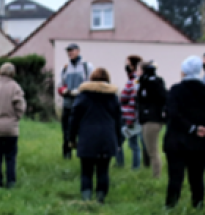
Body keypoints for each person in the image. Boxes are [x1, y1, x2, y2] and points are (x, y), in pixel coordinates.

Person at [163, 56, 205, 209]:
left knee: (175, 177)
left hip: (177, 141)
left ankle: (171, 205)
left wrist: (191, 128)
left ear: (183, 72)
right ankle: (198, 204)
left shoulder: (176, 90)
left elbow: (172, 114)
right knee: (197, 177)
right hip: (200, 142)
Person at [68, 67, 122, 203]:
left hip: (87, 138)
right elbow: (118, 121)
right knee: (103, 170)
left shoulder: (83, 96)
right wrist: (119, 141)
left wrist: (71, 138)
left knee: (86, 170)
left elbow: (74, 118)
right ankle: (100, 199)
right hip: (107, 138)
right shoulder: (113, 97)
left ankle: (86, 199)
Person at [58, 43, 94, 159]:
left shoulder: (86, 66)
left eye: (72, 51)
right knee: (66, 131)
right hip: (68, 104)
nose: (70, 53)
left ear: (78, 51)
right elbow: (60, 85)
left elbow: (90, 84)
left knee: (82, 131)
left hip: (82, 104)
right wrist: (65, 91)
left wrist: (78, 91)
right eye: (68, 51)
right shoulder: (65, 68)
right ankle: (67, 155)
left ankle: (83, 153)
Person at [136, 61, 167, 179]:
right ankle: (155, 174)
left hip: (151, 119)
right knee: (150, 150)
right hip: (149, 119)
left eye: (139, 70)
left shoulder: (150, 83)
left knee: (152, 151)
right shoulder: (149, 82)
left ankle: (156, 176)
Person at [117, 55, 143, 169]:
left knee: (120, 141)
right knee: (133, 143)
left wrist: (131, 119)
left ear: (132, 66)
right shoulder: (133, 80)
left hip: (128, 117)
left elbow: (130, 100)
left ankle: (121, 164)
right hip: (131, 116)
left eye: (127, 63)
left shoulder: (134, 81)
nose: (125, 66)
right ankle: (135, 166)